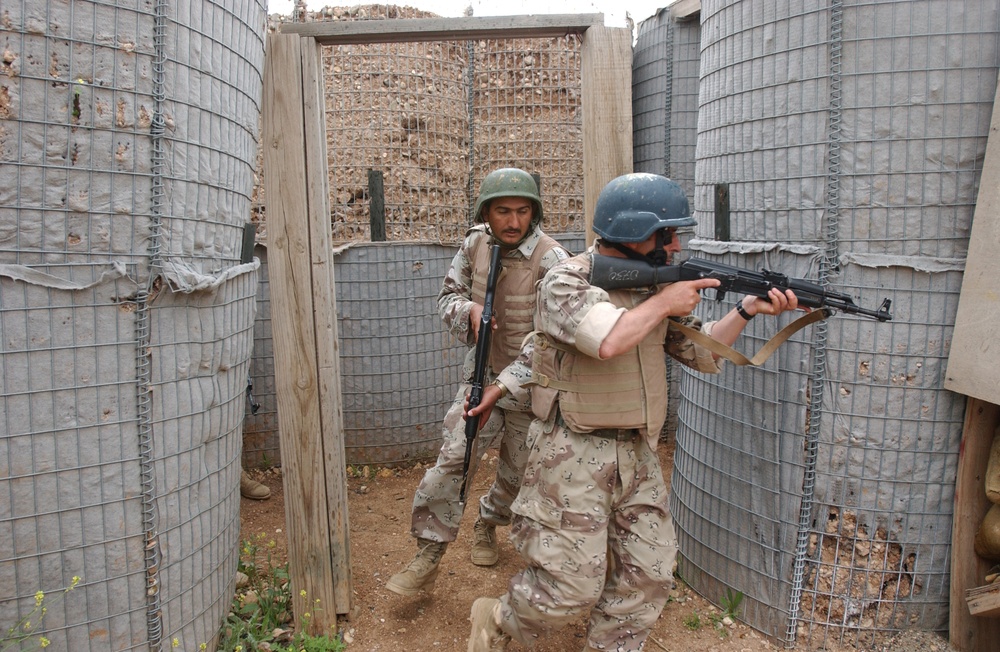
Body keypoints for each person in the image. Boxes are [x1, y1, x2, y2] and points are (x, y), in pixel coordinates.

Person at [465, 173, 805, 652]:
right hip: (572, 453)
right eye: (667, 233)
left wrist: (746, 310)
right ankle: (498, 618)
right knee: (568, 590)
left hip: (638, 454)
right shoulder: (566, 280)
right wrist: (665, 301)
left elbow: (701, 353)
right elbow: (607, 340)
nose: (677, 243)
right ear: (632, 231)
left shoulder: (654, 290)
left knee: (649, 576)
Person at [385, 168, 571, 597]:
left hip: (531, 385)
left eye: (522, 211)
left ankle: (488, 521)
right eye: (502, 211)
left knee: (518, 474)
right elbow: (446, 297)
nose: (512, 221)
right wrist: (467, 310)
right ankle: (427, 557)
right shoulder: (475, 244)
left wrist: (504, 387)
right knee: (453, 460)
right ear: (486, 212)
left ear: (534, 212)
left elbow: (551, 340)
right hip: (480, 375)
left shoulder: (552, 260)